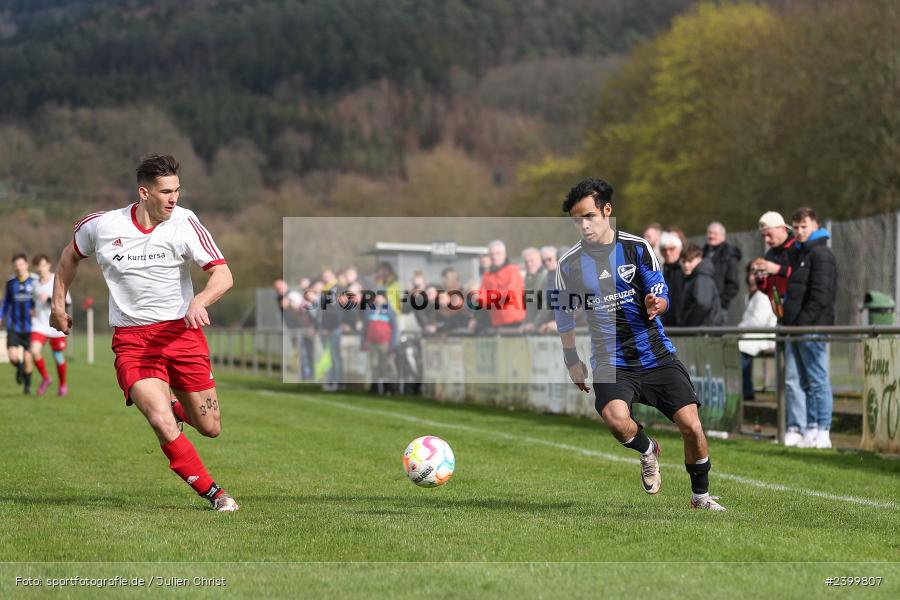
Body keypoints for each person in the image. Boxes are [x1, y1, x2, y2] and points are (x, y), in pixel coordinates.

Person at [50, 154, 239, 512]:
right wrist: (58, 305)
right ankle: (215, 494)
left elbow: (224, 274)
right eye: (166, 192)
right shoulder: (101, 226)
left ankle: (175, 406)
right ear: (144, 192)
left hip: (181, 334)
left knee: (210, 426)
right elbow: (68, 258)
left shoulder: (185, 223)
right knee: (158, 418)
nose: (174, 198)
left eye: (177, 190)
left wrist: (200, 301)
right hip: (133, 341)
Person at [554, 177, 725, 511]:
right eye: (577, 220)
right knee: (616, 420)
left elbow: (660, 290)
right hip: (610, 360)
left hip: (654, 353)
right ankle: (648, 450)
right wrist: (571, 359)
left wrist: (656, 303)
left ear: (607, 211)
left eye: (589, 216)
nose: (584, 225)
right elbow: (564, 315)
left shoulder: (636, 248)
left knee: (691, 426)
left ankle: (700, 498)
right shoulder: (569, 264)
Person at [781, 207, 837, 449]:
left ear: (815, 225)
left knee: (817, 379)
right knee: (799, 380)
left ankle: (822, 428)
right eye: (796, 227)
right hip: (794, 327)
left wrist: (803, 322)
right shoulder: (798, 253)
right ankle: (807, 427)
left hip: (811, 327)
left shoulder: (822, 253)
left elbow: (820, 295)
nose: (800, 231)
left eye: (804, 226)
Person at [752, 211, 799, 444]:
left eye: (769, 235)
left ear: (782, 228)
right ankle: (792, 426)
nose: (767, 241)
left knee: (800, 377)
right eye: (764, 236)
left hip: (799, 318)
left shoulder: (796, 249)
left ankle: (804, 427)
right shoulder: (772, 253)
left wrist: (776, 269)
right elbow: (769, 287)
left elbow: (800, 277)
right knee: (788, 378)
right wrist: (761, 277)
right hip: (782, 317)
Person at [30, 254, 72, 396]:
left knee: (58, 357)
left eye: (42, 265)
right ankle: (46, 378)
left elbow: (67, 302)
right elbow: (33, 300)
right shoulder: (34, 283)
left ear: (48, 265)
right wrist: (32, 309)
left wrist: (49, 299)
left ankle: (62, 385)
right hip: (39, 324)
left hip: (55, 324)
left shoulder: (57, 280)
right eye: (37, 266)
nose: (40, 269)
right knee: (34, 351)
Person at [738, 263, 777, 401]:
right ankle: (743, 390)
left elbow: (758, 321)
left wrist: (739, 329)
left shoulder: (763, 294)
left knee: (742, 348)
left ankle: (747, 392)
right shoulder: (750, 295)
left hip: (764, 335)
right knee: (739, 345)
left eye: (757, 273)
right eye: (751, 273)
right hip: (751, 334)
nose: (753, 277)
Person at [2, 253, 36, 394]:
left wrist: (36, 310)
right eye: (16, 265)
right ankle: (19, 368)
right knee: (13, 357)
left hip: (31, 327)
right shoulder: (11, 283)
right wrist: (0, 316)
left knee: (28, 359)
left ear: (26, 265)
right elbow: (6, 302)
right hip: (14, 326)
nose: (19, 267)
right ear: (14, 267)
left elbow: (40, 301)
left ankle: (27, 386)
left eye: (21, 264)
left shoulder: (35, 281)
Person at [479, 240, 525, 329]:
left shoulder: (513, 270)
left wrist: (490, 297)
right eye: (492, 254)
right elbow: (481, 300)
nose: (495, 257)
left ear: (504, 254)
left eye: (498, 253)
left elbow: (509, 294)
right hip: (496, 322)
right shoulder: (487, 275)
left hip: (515, 322)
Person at [360, 293, 399, 395]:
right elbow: (364, 328)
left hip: (385, 343)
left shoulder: (390, 311)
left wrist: (393, 344)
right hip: (372, 343)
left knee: (388, 365)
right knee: (374, 365)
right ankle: (375, 386)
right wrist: (363, 342)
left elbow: (395, 329)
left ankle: (391, 387)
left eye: (380, 297)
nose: (378, 299)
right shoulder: (369, 311)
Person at [680, 244, 726, 327]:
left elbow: (703, 304)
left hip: (705, 331)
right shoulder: (695, 277)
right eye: (683, 261)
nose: (686, 265)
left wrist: (688, 325)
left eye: (690, 261)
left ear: (699, 259)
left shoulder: (702, 277)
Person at [702, 222, 741, 312]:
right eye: (709, 233)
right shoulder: (702, 253)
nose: (711, 236)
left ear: (723, 236)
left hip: (718, 307)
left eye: (715, 233)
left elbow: (733, 284)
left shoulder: (729, 254)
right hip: (702, 304)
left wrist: (721, 303)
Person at [659, 232, 684, 327]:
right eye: (664, 250)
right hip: (666, 320)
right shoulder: (660, 270)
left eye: (671, 249)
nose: (667, 252)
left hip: (683, 321)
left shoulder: (685, 269)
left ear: (679, 249)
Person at [520, 247, 547, 332]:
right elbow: (529, 305)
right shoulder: (527, 280)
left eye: (532, 261)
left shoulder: (545, 278)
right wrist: (525, 323)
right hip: (532, 327)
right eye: (526, 262)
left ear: (540, 261)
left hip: (544, 327)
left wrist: (535, 324)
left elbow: (546, 305)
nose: (529, 264)